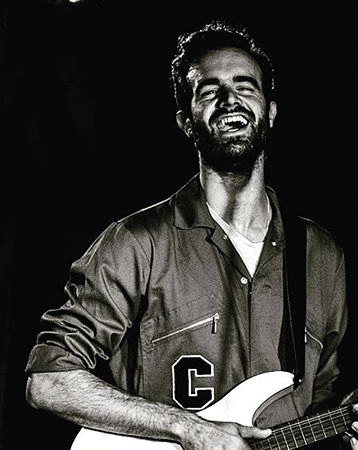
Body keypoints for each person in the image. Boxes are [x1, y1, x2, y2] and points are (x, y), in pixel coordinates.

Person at [25, 19, 358, 450]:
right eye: (209, 90)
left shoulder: (321, 255)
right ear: (186, 122)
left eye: (245, 86)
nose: (230, 99)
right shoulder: (137, 242)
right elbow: (48, 381)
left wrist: (345, 426)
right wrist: (189, 428)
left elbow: (320, 397)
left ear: (271, 112)